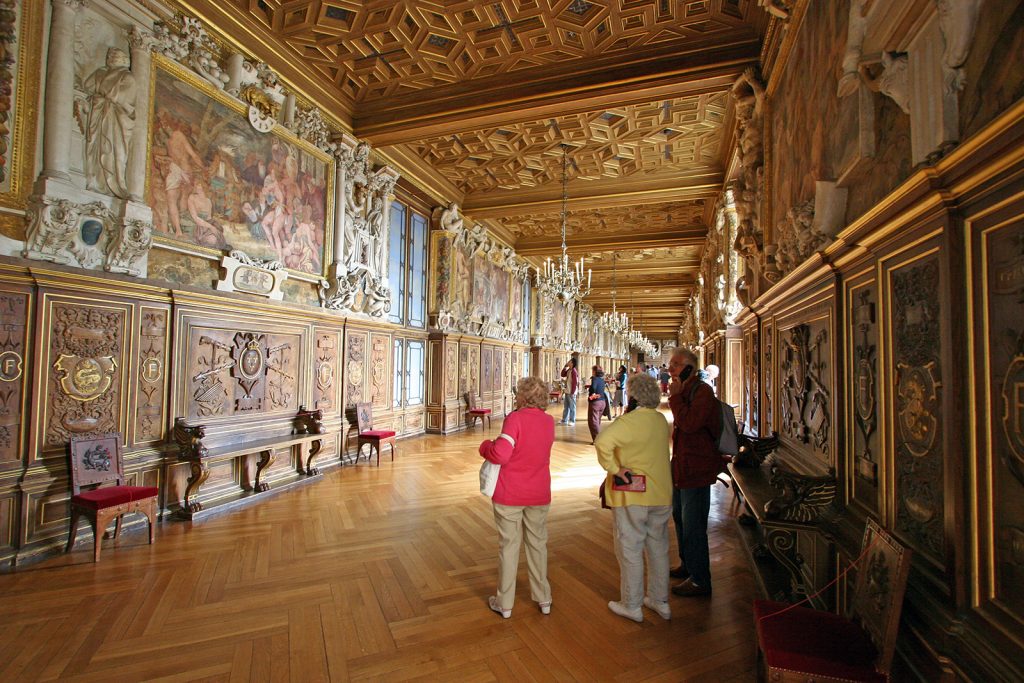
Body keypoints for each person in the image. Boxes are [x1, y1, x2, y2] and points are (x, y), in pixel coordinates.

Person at [595, 372, 673, 622]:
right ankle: (660, 601)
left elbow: (602, 442)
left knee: (630, 548)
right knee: (658, 548)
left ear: (633, 396)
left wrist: (616, 469)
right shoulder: (660, 419)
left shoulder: (628, 422)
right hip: (661, 492)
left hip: (633, 494)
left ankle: (632, 604)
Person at [479, 376, 556, 618]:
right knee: (537, 545)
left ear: (522, 396)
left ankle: (505, 603)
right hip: (539, 492)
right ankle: (544, 599)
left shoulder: (515, 419)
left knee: (509, 547)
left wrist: (484, 447)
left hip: (510, 493)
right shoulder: (549, 422)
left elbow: (501, 454)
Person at [667, 348, 721, 597]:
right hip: (682, 467)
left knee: (693, 526)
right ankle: (688, 566)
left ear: (690, 367)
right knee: (680, 518)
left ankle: (700, 580)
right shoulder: (687, 390)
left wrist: (675, 398)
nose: (671, 368)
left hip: (697, 469)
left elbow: (689, 424)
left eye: (676, 364)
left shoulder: (703, 391)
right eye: (671, 364)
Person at [586, 365, 608, 442]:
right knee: (597, 421)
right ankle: (597, 440)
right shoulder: (602, 380)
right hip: (602, 402)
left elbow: (594, 388)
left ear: (594, 371)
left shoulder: (594, 379)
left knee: (593, 422)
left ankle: (598, 440)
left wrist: (592, 393)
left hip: (596, 403)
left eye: (592, 370)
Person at [559, 356, 579, 426]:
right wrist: (565, 366)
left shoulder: (574, 371)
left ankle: (572, 421)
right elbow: (562, 374)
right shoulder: (569, 370)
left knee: (572, 407)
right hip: (567, 391)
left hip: (571, 392)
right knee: (566, 407)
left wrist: (572, 392)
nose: (568, 362)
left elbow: (575, 383)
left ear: (572, 363)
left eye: (570, 361)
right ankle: (564, 420)